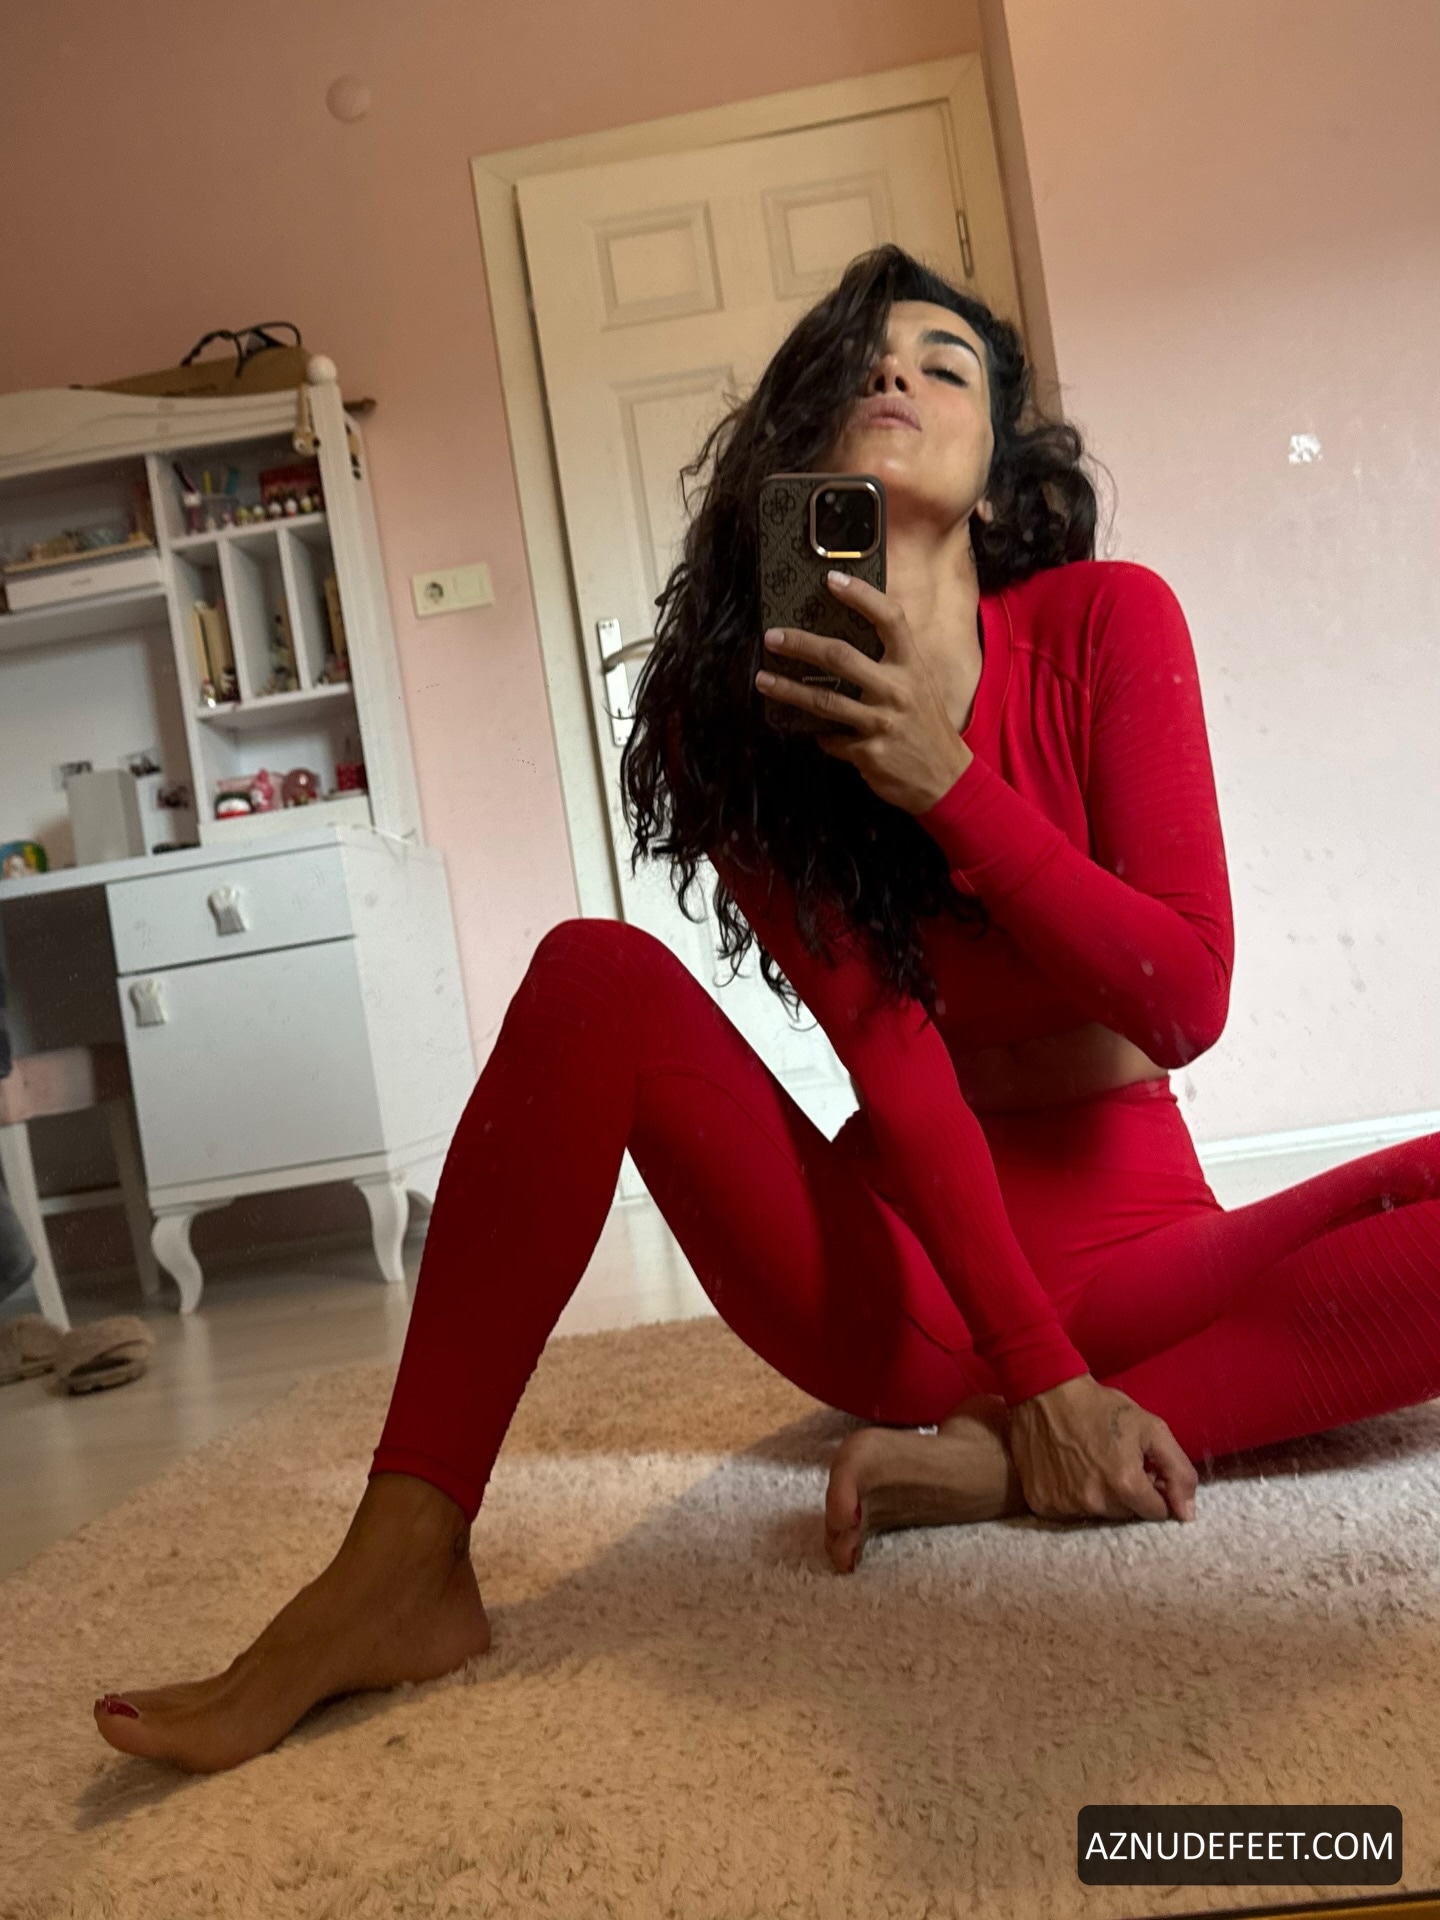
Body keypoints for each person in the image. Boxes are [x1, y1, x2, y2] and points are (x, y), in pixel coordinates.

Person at [93, 246, 1440, 1773]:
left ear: (1000, 476)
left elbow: (1184, 1000)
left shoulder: (1104, 624)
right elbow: (891, 1056)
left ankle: (997, 1470)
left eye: (944, 363)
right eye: (861, 360)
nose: (897, 373)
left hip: (1142, 1254)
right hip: (905, 1286)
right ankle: (403, 1555)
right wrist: (1040, 1374)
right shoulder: (741, 715)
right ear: (799, 445)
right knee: (594, 976)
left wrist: (950, 782)